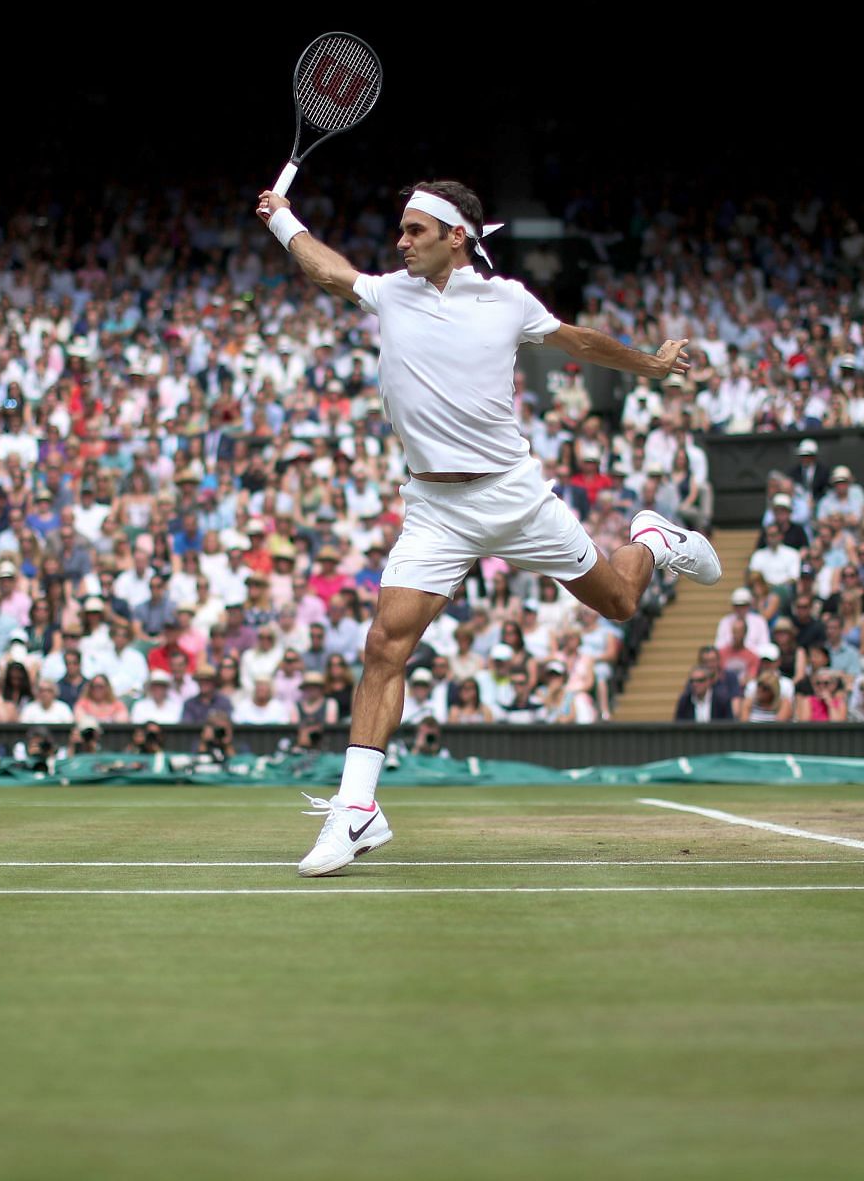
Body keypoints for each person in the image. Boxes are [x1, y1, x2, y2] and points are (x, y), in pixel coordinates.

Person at [256, 178, 719, 876]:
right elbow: (325, 268)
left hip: (514, 497)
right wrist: (281, 217)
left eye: (416, 230)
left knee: (621, 603)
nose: (401, 241)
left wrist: (650, 365)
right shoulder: (390, 291)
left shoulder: (506, 301)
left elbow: (580, 342)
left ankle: (652, 541)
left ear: (456, 236)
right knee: (385, 643)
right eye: (401, 229)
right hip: (435, 509)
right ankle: (357, 811)